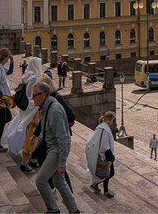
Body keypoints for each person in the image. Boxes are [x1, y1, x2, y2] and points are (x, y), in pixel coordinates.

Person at [30, 82, 80, 213]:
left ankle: (53, 210)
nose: (32, 98)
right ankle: (74, 211)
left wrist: (62, 162)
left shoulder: (54, 110)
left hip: (56, 150)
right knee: (59, 182)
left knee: (40, 180)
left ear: (43, 95)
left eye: (34, 95)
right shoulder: (46, 107)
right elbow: (43, 122)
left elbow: (63, 138)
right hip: (52, 148)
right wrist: (35, 135)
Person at [86, 111, 116, 198]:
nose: (112, 122)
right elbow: (105, 146)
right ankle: (99, 187)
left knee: (107, 173)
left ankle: (100, 187)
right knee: (109, 173)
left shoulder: (100, 127)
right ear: (109, 120)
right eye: (113, 120)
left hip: (99, 153)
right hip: (104, 155)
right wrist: (110, 159)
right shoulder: (105, 130)